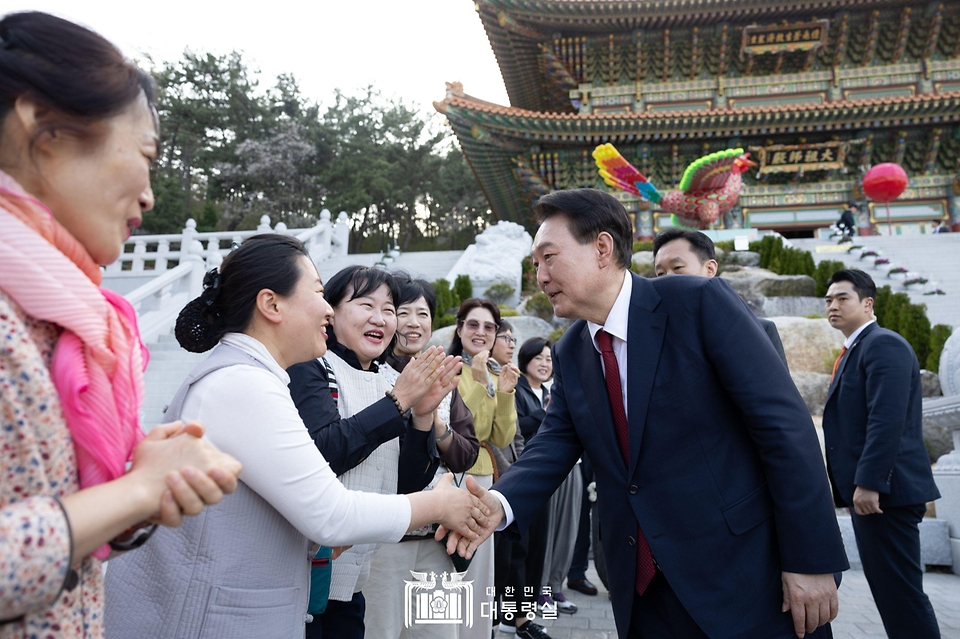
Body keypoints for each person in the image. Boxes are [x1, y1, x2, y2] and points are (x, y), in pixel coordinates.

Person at [441, 188, 849, 639]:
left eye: (548, 257)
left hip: (743, 575)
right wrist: (496, 505)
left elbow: (784, 427)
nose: (539, 274)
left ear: (601, 248)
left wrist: (812, 560)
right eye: (534, 264)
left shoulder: (697, 303)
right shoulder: (573, 351)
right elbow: (554, 444)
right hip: (642, 590)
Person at [104, 235, 489, 638]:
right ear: (271, 305)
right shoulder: (243, 383)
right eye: (321, 294)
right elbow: (331, 514)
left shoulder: (254, 376)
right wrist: (440, 504)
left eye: (388, 309)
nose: (327, 308)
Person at [0, 12, 243, 636]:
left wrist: (138, 476)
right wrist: (138, 491)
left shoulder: (66, 317)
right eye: (145, 155)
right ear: (43, 131)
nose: (150, 196)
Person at [288, 265, 460, 639]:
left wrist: (423, 413)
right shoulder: (311, 367)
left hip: (356, 578)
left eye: (388, 309)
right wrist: (398, 401)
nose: (380, 319)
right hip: (307, 574)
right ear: (331, 313)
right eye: (366, 305)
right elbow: (325, 450)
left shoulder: (391, 380)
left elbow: (408, 482)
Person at [822, 269, 941, 638]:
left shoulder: (883, 344)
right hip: (877, 494)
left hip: (887, 493)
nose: (833, 306)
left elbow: (887, 420)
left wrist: (870, 483)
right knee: (892, 593)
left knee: (901, 594)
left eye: (843, 298)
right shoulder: (856, 348)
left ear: (867, 303)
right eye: (828, 300)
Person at [364, 274, 481, 639]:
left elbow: (467, 454)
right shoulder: (371, 373)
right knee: (380, 630)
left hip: (437, 540)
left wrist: (434, 422)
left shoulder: (446, 376)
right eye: (403, 312)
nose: (414, 323)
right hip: (387, 538)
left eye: (423, 313)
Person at [449, 298, 520, 639]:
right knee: (449, 569)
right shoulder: (447, 368)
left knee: (478, 572)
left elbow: (501, 435)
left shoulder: (494, 372)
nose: (481, 332)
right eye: (473, 325)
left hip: (484, 481)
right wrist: (479, 382)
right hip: (452, 478)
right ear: (459, 329)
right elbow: (464, 431)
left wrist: (504, 394)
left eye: (489, 327)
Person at [653, 227, 789, 369]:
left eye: (678, 267)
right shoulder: (653, 335)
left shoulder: (759, 330)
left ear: (710, 269)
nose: (667, 279)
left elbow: (778, 389)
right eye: (661, 273)